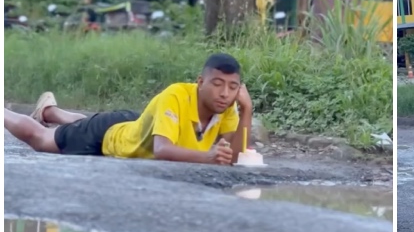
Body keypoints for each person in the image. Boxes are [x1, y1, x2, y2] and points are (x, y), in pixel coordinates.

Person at [4, 53, 253, 166]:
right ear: (200, 82)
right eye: (217, 84)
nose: (224, 93)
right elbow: (162, 149)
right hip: (107, 135)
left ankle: (50, 111)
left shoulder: (226, 107)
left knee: (84, 125)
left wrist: (247, 110)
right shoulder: (176, 95)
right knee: (41, 139)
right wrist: (208, 156)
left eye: (233, 87)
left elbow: (235, 157)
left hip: (136, 125)